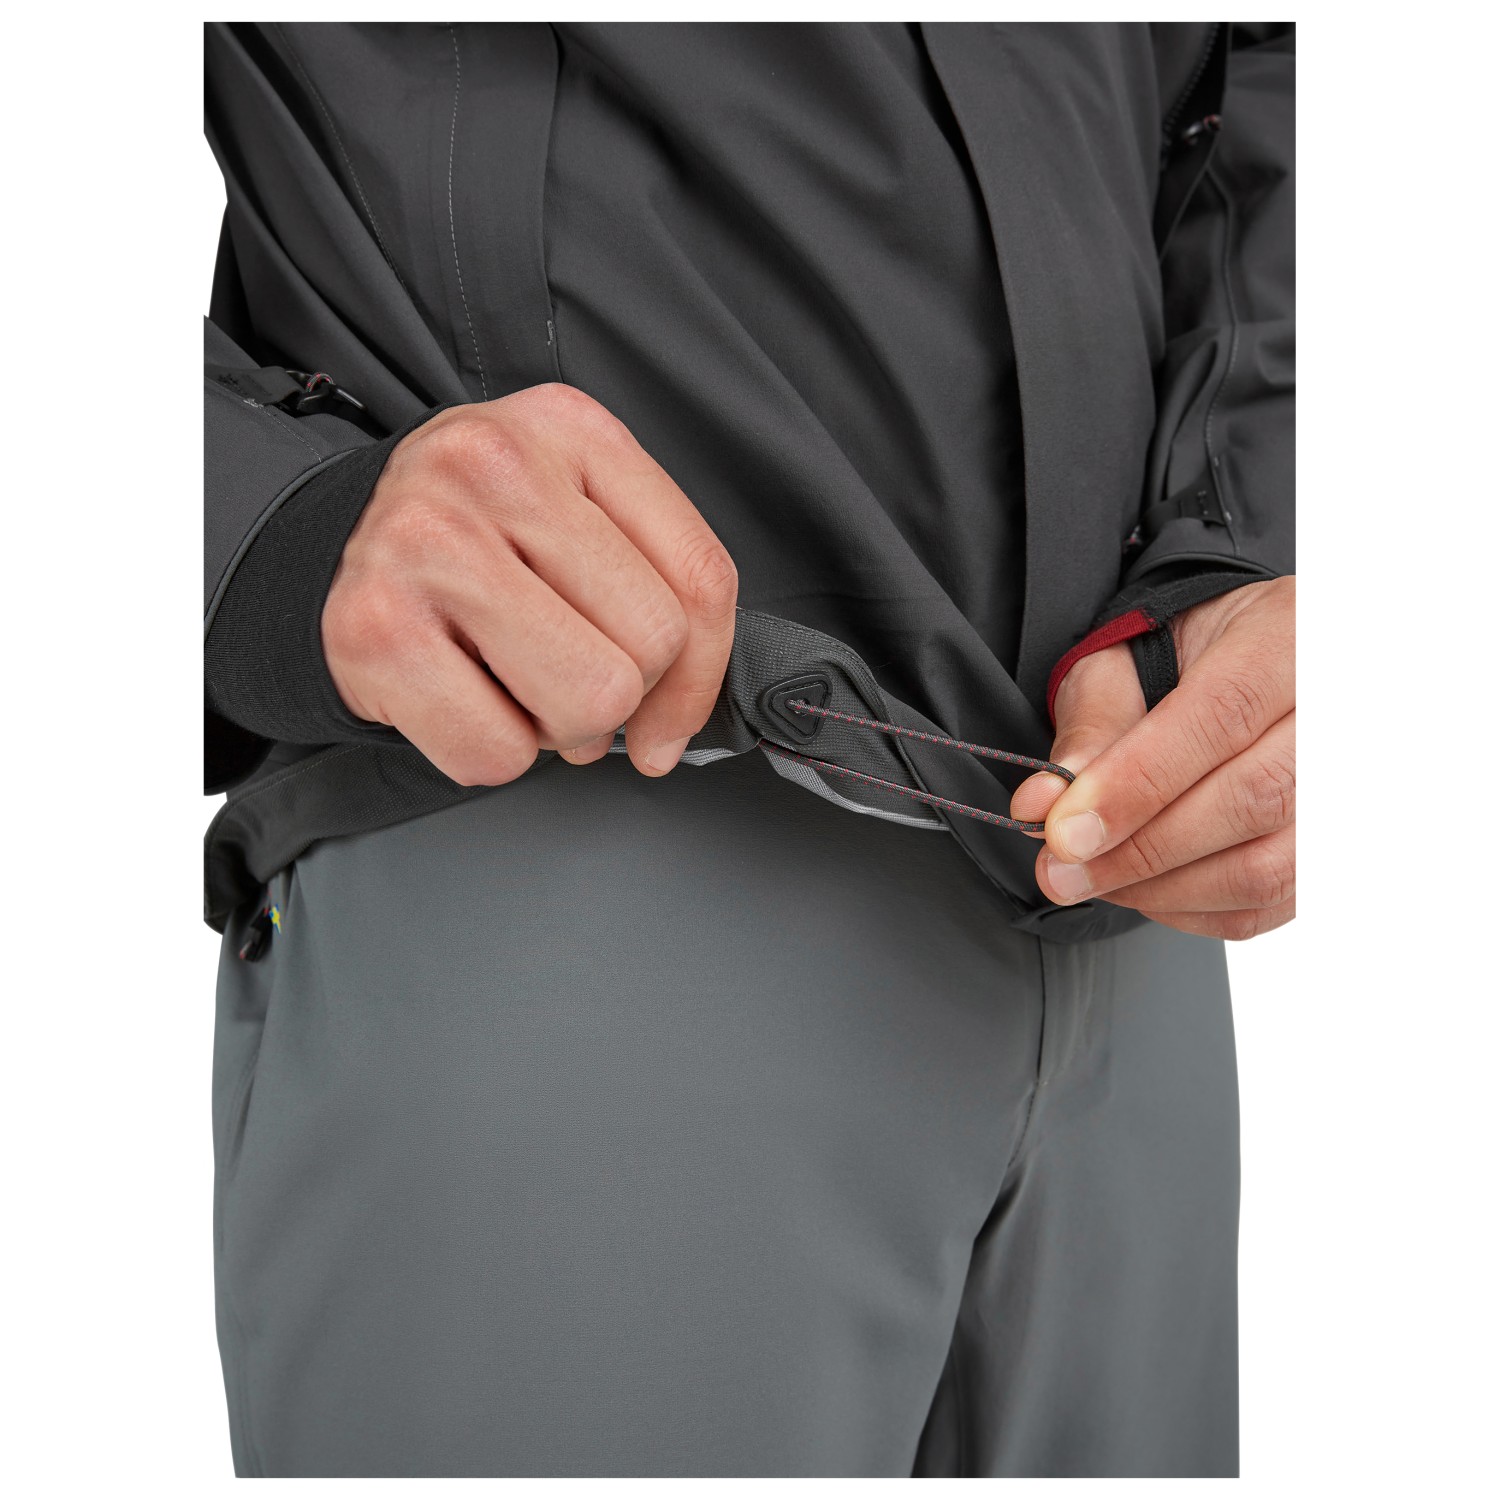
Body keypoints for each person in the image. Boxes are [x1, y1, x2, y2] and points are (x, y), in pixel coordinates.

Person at [203, 21, 1294, 1477]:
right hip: (566, 864)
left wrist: (1256, 539)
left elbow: (1267, 74)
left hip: (1139, 915)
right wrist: (264, 527)